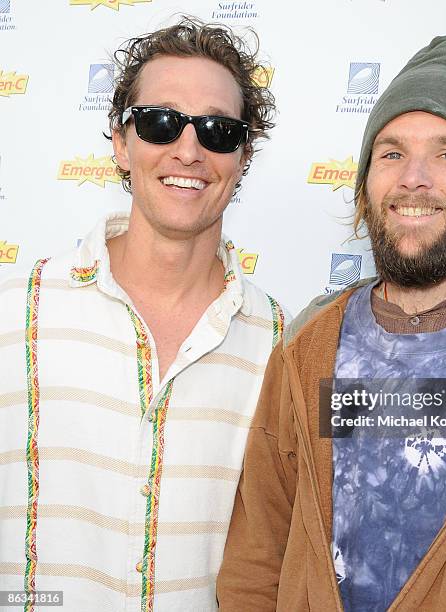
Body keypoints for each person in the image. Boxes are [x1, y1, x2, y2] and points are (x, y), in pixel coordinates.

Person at [217, 36, 446, 611]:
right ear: (364, 189)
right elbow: (259, 552)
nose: (415, 178)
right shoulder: (311, 343)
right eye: (392, 153)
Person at [0, 16, 287, 611]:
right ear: (121, 142)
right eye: (160, 122)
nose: (188, 149)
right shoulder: (13, 314)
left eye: (217, 130)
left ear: (243, 156)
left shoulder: (283, 344)